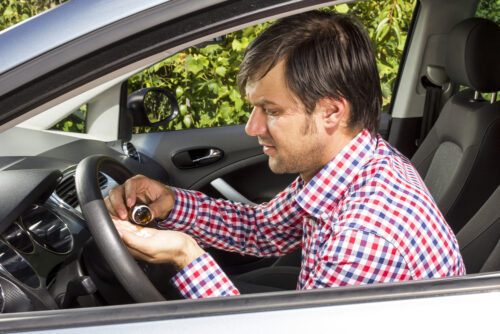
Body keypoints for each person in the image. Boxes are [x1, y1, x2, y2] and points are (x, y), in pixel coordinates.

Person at [106, 11, 465, 299]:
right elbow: (263, 230)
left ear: (331, 112)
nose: (252, 127)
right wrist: (171, 204)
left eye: (272, 111)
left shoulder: (363, 238)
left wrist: (187, 257)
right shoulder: (353, 163)